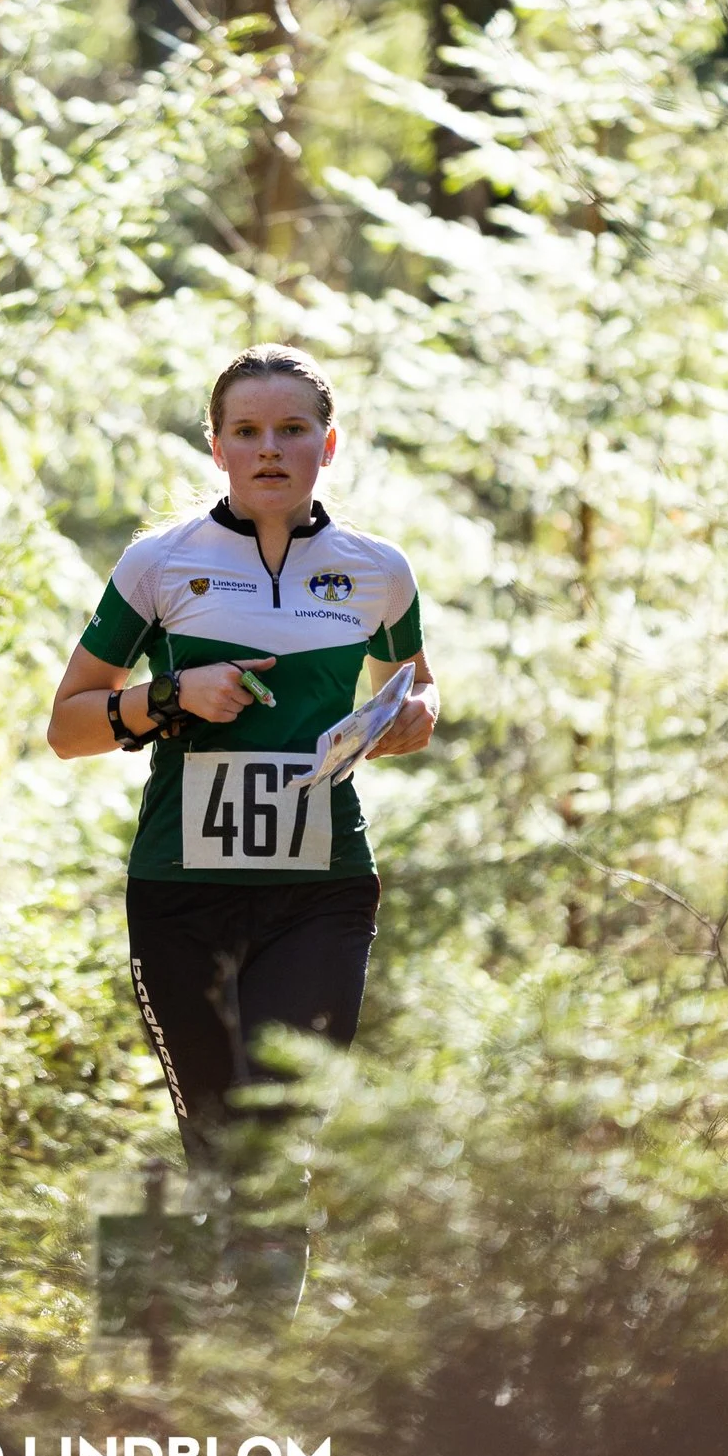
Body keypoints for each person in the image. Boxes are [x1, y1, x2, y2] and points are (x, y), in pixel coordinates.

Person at [46, 344, 436, 1269]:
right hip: (182, 893)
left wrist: (412, 717)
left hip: (321, 891)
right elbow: (67, 726)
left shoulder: (377, 571)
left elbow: (416, 690)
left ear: (327, 445)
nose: (271, 449)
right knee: (218, 1139)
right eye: (249, 432)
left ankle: (261, 1372)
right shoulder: (161, 564)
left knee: (279, 1130)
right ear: (216, 447)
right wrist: (172, 695)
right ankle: (192, 1363)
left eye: (292, 430)